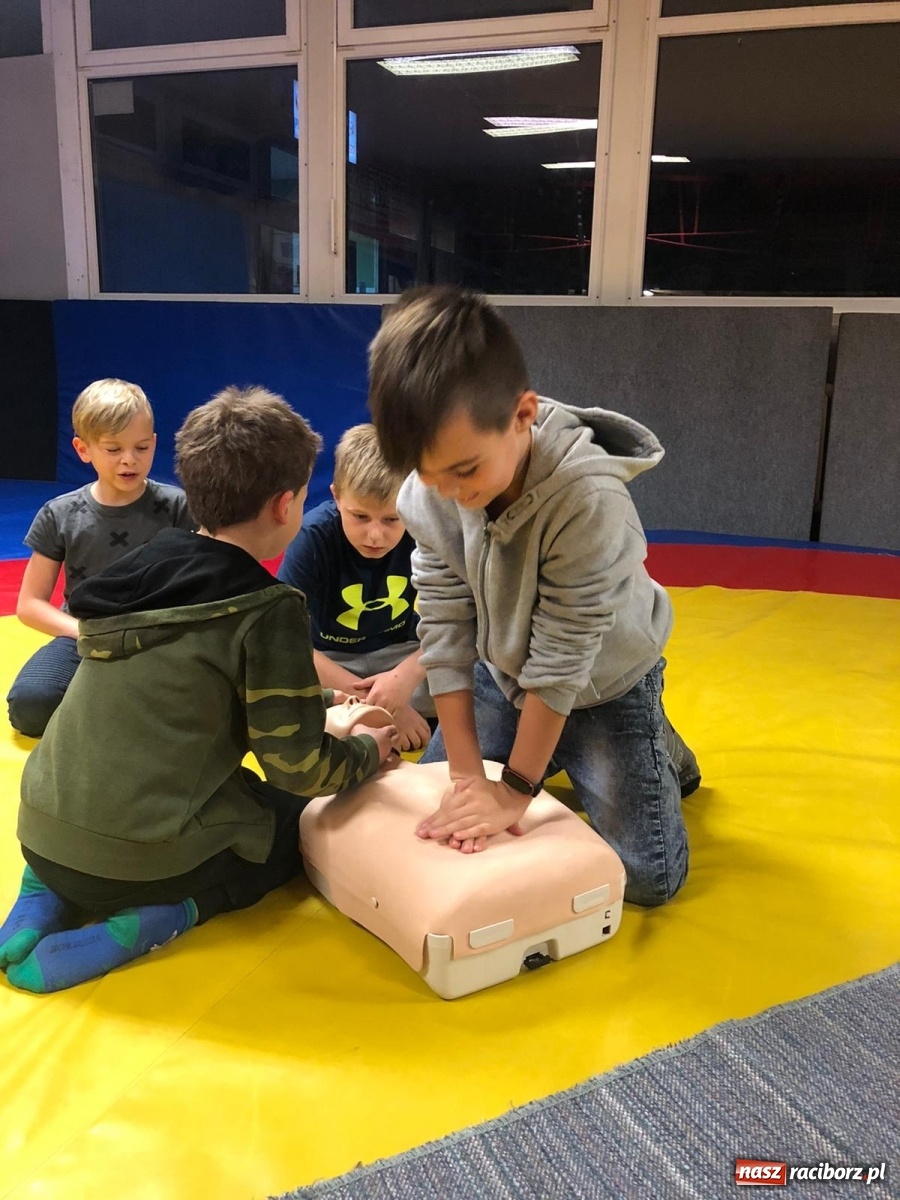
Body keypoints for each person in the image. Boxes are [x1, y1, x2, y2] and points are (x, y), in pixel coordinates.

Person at [0, 385, 397, 993]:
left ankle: (42, 894)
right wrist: (369, 755)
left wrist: (328, 699)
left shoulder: (137, 573)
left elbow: (193, 679)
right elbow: (295, 766)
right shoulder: (266, 609)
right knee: (296, 826)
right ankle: (163, 916)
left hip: (40, 831)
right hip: (138, 866)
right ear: (285, 505)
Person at [367, 286, 700, 907]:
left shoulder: (588, 501)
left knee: (649, 878)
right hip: (507, 674)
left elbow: (564, 656)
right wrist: (469, 778)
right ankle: (558, 752)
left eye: (464, 471)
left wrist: (515, 790)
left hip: (605, 684)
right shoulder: (430, 488)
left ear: (523, 415)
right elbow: (443, 624)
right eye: (428, 474)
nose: (447, 493)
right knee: (444, 800)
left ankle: (657, 745)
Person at [6, 378, 195, 737]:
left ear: (154, 443)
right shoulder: (60, 513)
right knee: (31, 707)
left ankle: (117, 703)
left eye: (141, 447)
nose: (129, 459)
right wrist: (84, 632)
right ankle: (111, 705)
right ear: (83, 449)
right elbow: (29, 604)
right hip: (84, 635)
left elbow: (204, 581)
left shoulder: (178, 507)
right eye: (113, 449)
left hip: (159, 639)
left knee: (198, 705)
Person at [278, 423, 432, 752]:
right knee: (275, 694)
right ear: (336, 496)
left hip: (398, 656)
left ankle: (356, 717)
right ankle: (359, 714)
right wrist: (386, 704)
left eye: (391, 520)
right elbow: (282, 640)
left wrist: (404, 679)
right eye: (360, 517)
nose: (375, 535)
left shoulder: (428, 530)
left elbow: (461, 624)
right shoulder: (312, 539)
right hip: (331, 663)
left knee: (477, 676)